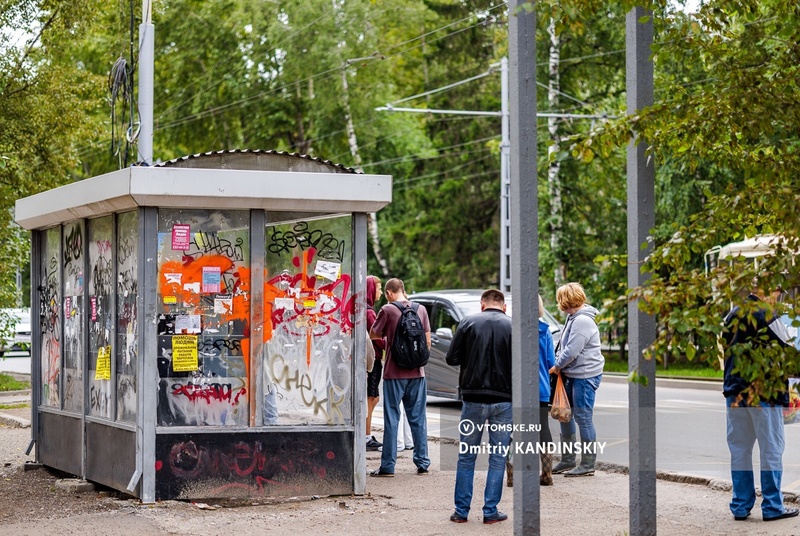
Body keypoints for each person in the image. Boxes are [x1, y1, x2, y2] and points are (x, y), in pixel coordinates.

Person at [723, 285, 799, 522]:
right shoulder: (766, 314)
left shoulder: (732, 314)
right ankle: (772, 506)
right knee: (771, 450)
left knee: (740, 450)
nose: (780, 298)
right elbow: (791, 346)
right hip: (764, 394)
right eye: (779, 293)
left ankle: (740, 505)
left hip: (735, 392)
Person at [445, 289, 512, 525]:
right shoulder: (513, 326)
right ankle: (490, 511)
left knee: (466, 457)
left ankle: (461, 512)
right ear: (503, 306)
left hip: (472, 398)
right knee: (498, 457)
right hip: (504, 399)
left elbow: (451, 358)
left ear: (482, 304)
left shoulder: (467, 323)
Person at [369, 278, 431, 477]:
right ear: (403, 290)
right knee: (418, 418)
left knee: (392, 419)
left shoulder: (388, 310)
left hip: (394, 374)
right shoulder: (420, 309)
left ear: (388, 293)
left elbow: (373, 334)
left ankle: (388, 466)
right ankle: (422, 462)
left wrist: (389, 336)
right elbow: (427, 342)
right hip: (417, 373)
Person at [549, 282, 604, 477]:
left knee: (583, 418)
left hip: (584, 376)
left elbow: (572, 351)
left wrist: (556, 366)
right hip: (573, 374)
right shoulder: (573, 317)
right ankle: (568, 460)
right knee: (565, 415)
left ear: (565, 301)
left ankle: (588, 463)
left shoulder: (582, 321)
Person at [505, 294, 557, 487]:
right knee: (543, 428)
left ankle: (511, 475)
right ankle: (547, 473)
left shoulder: (511, 330)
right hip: (540, 388)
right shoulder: (545, 331)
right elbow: (551, 362)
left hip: (516, 388)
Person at [365, 275, 385, 451]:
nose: (380, 292)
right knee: (370, 398)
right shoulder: (369, 312)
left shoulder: (363, 309)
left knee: (373, 398)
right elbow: (377, 336)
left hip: (370, 359)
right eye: (378, 288)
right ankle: (366, 435)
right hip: (373, 359)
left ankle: (366, 433)